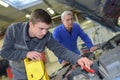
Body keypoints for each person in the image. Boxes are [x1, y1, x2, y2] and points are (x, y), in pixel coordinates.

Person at [0, 9, 92, 80]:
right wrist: (26, 54)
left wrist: (78, 59)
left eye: (47, 29)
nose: (44, 32)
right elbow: (4, 53)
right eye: (41, 28)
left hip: (38, 73)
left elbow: (61, 50)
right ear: (31, 24)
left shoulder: (47, 36)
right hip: (19, 75)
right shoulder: (14, 30)